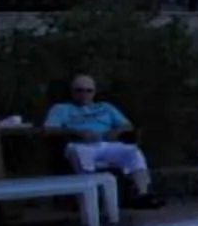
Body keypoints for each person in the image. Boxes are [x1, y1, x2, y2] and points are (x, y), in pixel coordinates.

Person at [43, 74, 160, 207]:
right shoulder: (61, 109)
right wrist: (78, 132)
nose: (84, 94)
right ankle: (91, 197)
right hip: (79, 144)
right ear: (72, 92)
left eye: (88, 90)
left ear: (94, 92)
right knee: (81, 153)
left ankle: (143, 194)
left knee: (132, 151)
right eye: (79, 90)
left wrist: (116, 131)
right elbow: (49, 129)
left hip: (106, 143)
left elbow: (127, 125)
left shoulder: (105, 107)